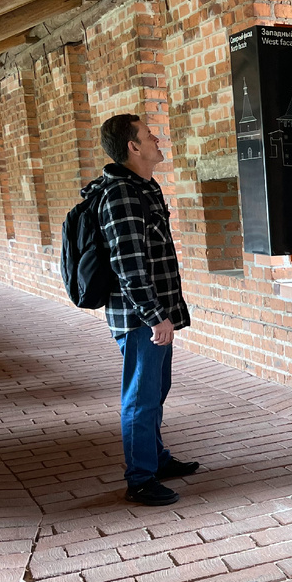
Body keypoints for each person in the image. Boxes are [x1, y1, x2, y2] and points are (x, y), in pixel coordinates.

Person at [85, 113, 197, 506]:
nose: (157, 139)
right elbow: (128, 263)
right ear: (133, 146)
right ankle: (140, 479)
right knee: (140, 396)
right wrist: (155, 316)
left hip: (153, 313)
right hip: (139, 319)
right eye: (149, 135)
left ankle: (156, 458)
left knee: (156, 390)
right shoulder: (121, 194)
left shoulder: (144, 187)